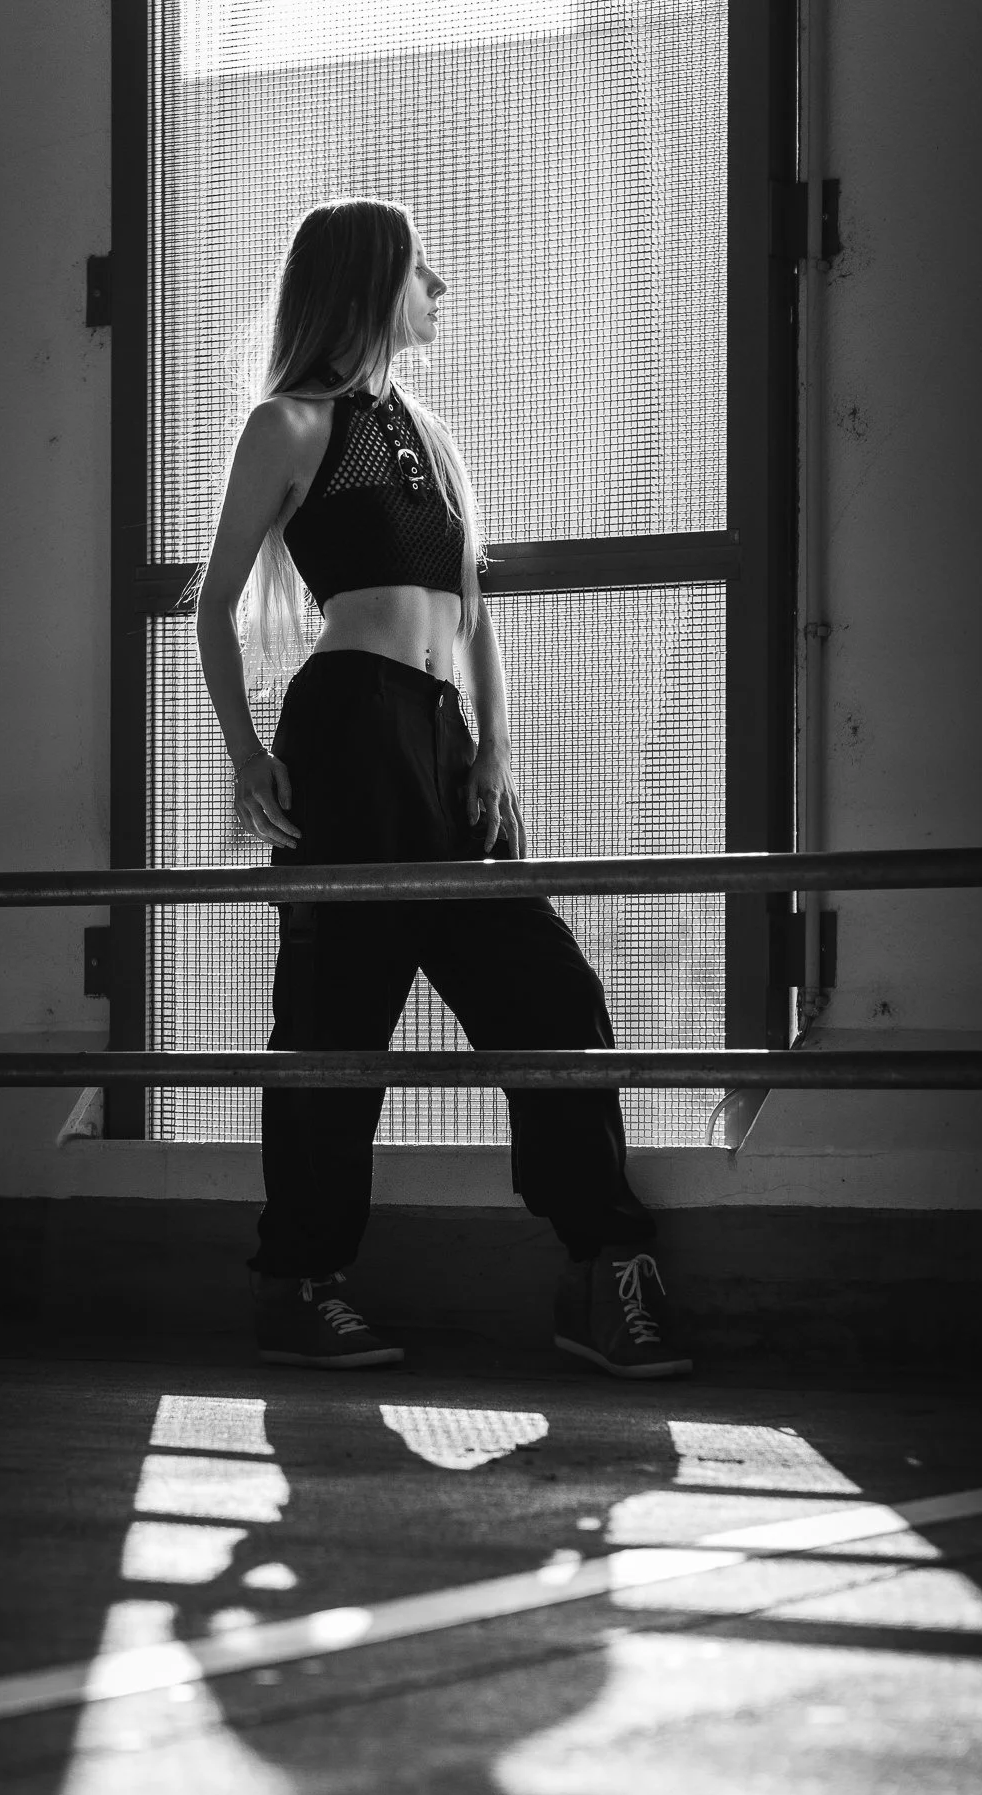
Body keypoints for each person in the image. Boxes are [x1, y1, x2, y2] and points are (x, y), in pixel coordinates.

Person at [194, 195, 691, 1380]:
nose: (445, 290)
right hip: (347, 731)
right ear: (369, 284)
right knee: (333, 1024)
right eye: (425, 271)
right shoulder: (294, 424)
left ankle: (601, 1270)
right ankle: (299, 1283)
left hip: (442, 736)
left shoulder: (431, 432)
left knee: (552, 999)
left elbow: (475, 617)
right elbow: (212, 604)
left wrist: (496, 746)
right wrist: (247, 753)